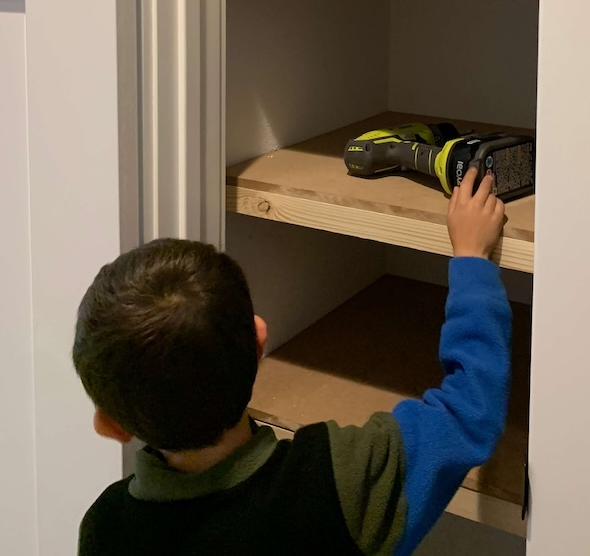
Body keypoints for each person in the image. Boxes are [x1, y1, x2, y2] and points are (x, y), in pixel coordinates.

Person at [73, 167, 511, 555]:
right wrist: (472, 258)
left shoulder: (107, 531)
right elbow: (467, 414)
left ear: (110, 426)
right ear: (259, 341)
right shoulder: (341, 482)